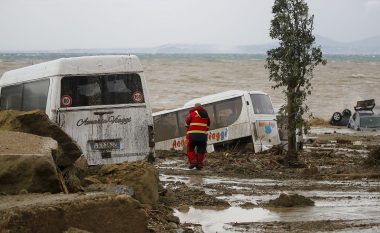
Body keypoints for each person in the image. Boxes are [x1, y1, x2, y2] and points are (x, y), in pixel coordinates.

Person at [185, 103, 210, 170]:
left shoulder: (193, 113)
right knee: (201, 150)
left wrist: (189, 127)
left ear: (195, 107)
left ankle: (193, 162)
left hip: (193, 136)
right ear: (201, 107)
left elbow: (186, 122)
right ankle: (199, 164)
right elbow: (208, 126)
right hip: (203, 136)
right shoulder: (206, 114)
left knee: (190, 149)